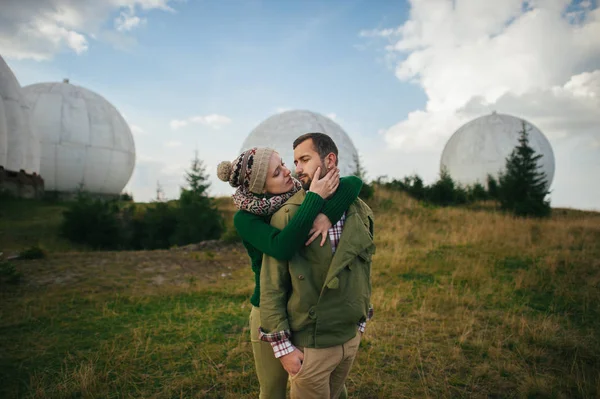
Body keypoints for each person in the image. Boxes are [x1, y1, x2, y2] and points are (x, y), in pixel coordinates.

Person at [216, 146, 362, 399]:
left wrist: (326, 215)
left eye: (283, 163)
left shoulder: (301, 193)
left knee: (328, 386)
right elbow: (282, 247)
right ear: (260, 186)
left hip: (306, 305)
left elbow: (352, 183)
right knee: (273, 390)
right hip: (270, 310)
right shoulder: (246, 218)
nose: (288, 171)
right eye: (276, 172)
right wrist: (315, 200)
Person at [259, 133, 375, 399]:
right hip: (310, 346)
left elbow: (362, 271)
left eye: (304, 159)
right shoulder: (288, 215)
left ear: (330, 159)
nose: (296, 169)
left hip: (348, 338)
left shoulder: (361, 210)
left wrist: (359, 325)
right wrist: (284, 350)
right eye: (295, 161)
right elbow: (272, 287)